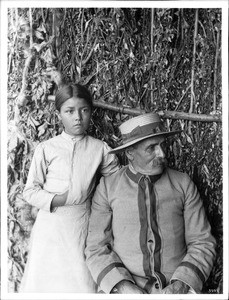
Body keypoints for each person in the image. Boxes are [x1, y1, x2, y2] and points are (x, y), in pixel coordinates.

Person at [85, 112, 216, 294]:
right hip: (124, 289)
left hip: (177, 288)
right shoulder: (108, 187)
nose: (161, 154)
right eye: (151, 148)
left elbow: (202, 242)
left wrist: (180, 285)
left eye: (162, 146)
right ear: (130, 153)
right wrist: (123, 287)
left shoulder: (183, 184)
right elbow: (96, 247)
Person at [20, 83, 120, 293]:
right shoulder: (47, 148)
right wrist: (62, 199)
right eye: (69, 111)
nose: (78, 117)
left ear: (91, 113)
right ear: (59, 115)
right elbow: (30, 191)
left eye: (84, 110)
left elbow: (116, 181)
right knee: (46, 283)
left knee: (80, 282)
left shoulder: (99, 148)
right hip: (50, 226)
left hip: (81, 225)